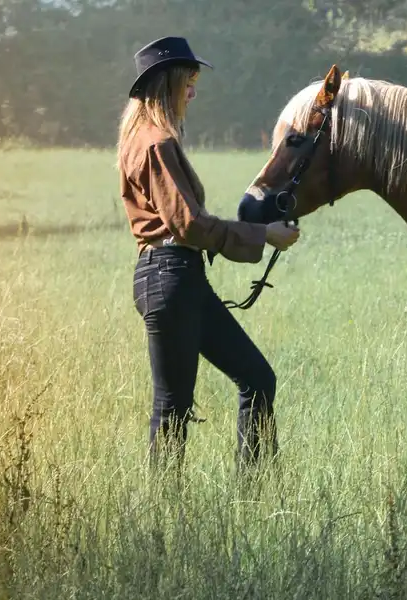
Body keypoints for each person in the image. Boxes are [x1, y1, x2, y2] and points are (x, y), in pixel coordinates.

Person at [115, 36, 300, 469]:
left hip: (178, 277)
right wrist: (263, 234)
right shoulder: (156, 142)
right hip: (170, 277)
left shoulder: (145, 137)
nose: (193, 93)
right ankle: (165, 516)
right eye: (189, 83)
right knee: (173, 406)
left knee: (255, 378)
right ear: (168, 84)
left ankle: (251, 494)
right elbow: (189, 224)